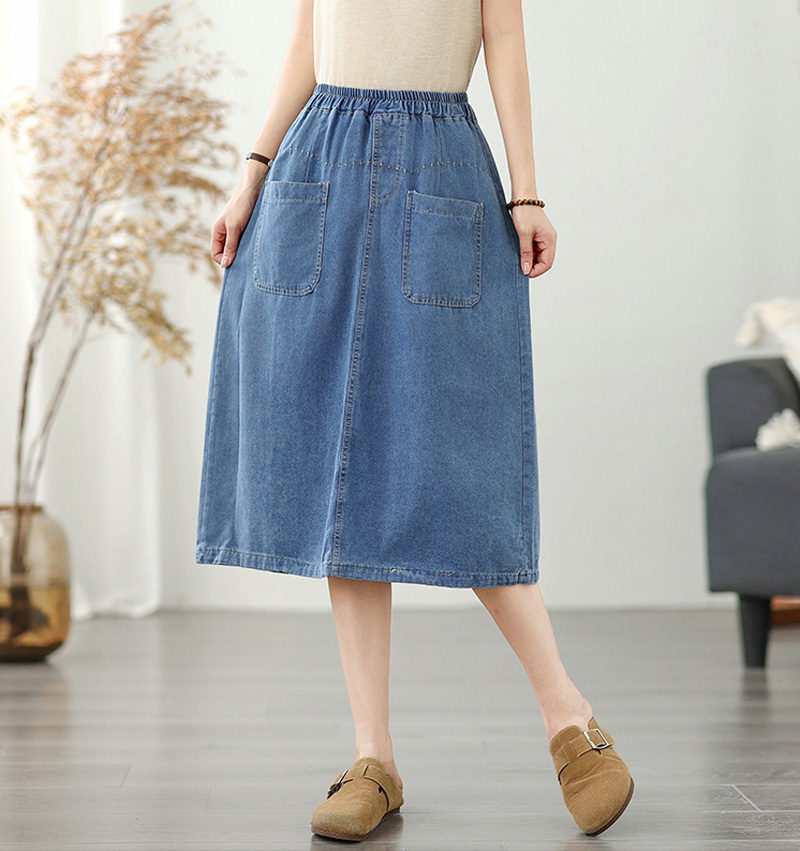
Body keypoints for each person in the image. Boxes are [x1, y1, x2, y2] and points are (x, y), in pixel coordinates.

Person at [196, 0, 634, 841]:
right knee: (342, 476)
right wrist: (253, 167)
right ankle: (375, 759)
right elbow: (309, 37)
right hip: (318, 162)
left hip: (440, 164)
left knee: (462, 470)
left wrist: (527, 190)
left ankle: (569, 716)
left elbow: (503, 35)